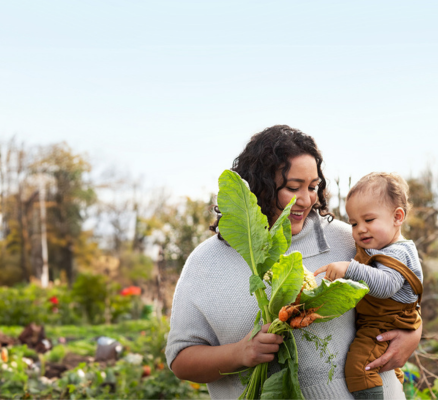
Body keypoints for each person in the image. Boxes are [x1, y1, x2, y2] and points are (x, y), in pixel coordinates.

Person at [166, 125, 422, 399]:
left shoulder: (352, 239)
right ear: (260, 185)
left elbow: (403, 288)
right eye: (292, 187)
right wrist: (241, 353)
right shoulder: (206, 262)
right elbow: (181, 360)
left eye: (313, 187)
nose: (306, 200)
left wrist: (413, 334)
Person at [314, 172, 423, 400]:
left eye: (369, 220)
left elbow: (386, 285)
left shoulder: (398, 252)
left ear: (397, 217)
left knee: (359, 367)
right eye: (354, 223)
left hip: (383, 325)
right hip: (379, 321)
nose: (360, 229)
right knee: (386, 368)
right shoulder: (382, 247)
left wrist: (349, 269)